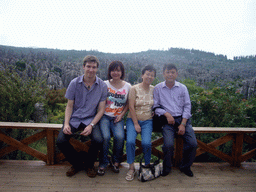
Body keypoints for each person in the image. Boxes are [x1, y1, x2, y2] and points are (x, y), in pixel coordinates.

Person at [56, 55, 107, 178]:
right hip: (74, 118)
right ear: (83, 67)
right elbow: (69, 106)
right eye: (88, 66)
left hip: (91, 118)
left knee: (99, 140)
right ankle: (77, 164)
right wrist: (67, 123)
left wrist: (92, 125)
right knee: (61, 141)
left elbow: (101, 110)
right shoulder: (74, 83)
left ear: (97, 69)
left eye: (94, 67)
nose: (91, 69)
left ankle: (89, 165)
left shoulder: (102, 86)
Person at [153, 64, 197, 177]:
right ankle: (167, 168)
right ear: (163, 74)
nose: (170, 74)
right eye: (168, 72)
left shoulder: (182, 88)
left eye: (173, 72)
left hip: (183, 119)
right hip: (167, 121)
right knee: (168, 145)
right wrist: (166, 114)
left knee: (192, 144)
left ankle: (185, 166)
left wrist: (183, 123)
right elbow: (155, 107)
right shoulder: (158, 88)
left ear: (177, 74)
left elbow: (187, 106)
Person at [97, 61, 131, 176]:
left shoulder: (128, 86)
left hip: (118, 118)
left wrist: (121, 115)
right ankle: (103, 162)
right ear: (109, 72)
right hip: (105, 116)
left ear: (122, 72)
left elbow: (128, 103)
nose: (115, 73)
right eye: (113, 70)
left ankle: (116, 161)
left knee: (120, 137)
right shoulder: (104, 84)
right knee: (105, 137)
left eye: (118, 70)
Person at [125, 65, 156, 181]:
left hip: (148, 120)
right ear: (142, 75)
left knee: (147, 143)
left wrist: (155, 112)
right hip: (133, 120)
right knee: (130, 142)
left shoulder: (154, 89)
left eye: (152, 75)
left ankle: (146, 165)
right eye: (147, 74)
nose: (149, 77)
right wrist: (136, 123)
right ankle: (131, 168)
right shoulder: (134, 88)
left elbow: (157, 104)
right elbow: (131, 107)